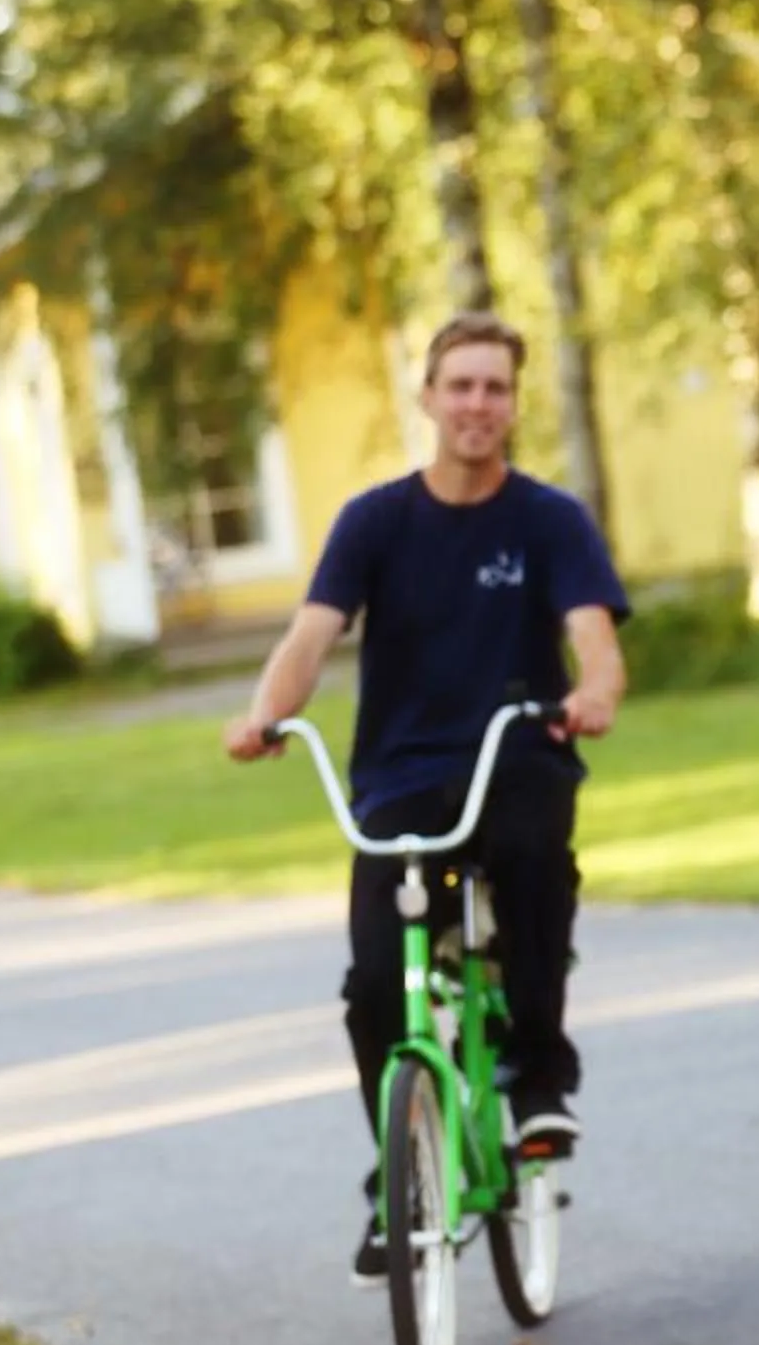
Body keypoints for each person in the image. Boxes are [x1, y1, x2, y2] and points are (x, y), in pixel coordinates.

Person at [222, 311, 630, 1281]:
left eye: (495, 387)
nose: (478, 405)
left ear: (513, 402)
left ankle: (537, 1074)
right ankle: (398, 1177)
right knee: (373, 988)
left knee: (534, 867)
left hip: (515, 751)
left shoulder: (547, 519)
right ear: (429, 398)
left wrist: (594, 694)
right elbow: (310, 638)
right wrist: (264, 716)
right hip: (401, 777)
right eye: (461, 386)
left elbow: (596, 639)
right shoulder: (375, 521)